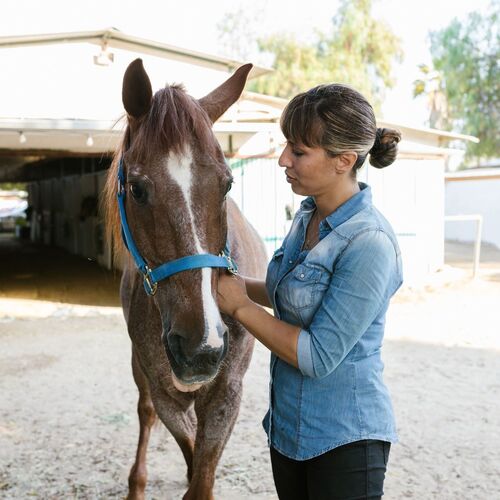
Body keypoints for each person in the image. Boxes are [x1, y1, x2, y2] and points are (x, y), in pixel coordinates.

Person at [217, 83, 403, 500]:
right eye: (287, 146)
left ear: (344, 160)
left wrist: (241, 308)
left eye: (298, 152)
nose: (284, 160)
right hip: (290, 431)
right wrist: (226, 284)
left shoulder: (368, 243)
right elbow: (290, 293)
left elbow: (318, 356)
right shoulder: (308, 215)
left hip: (345, 442)